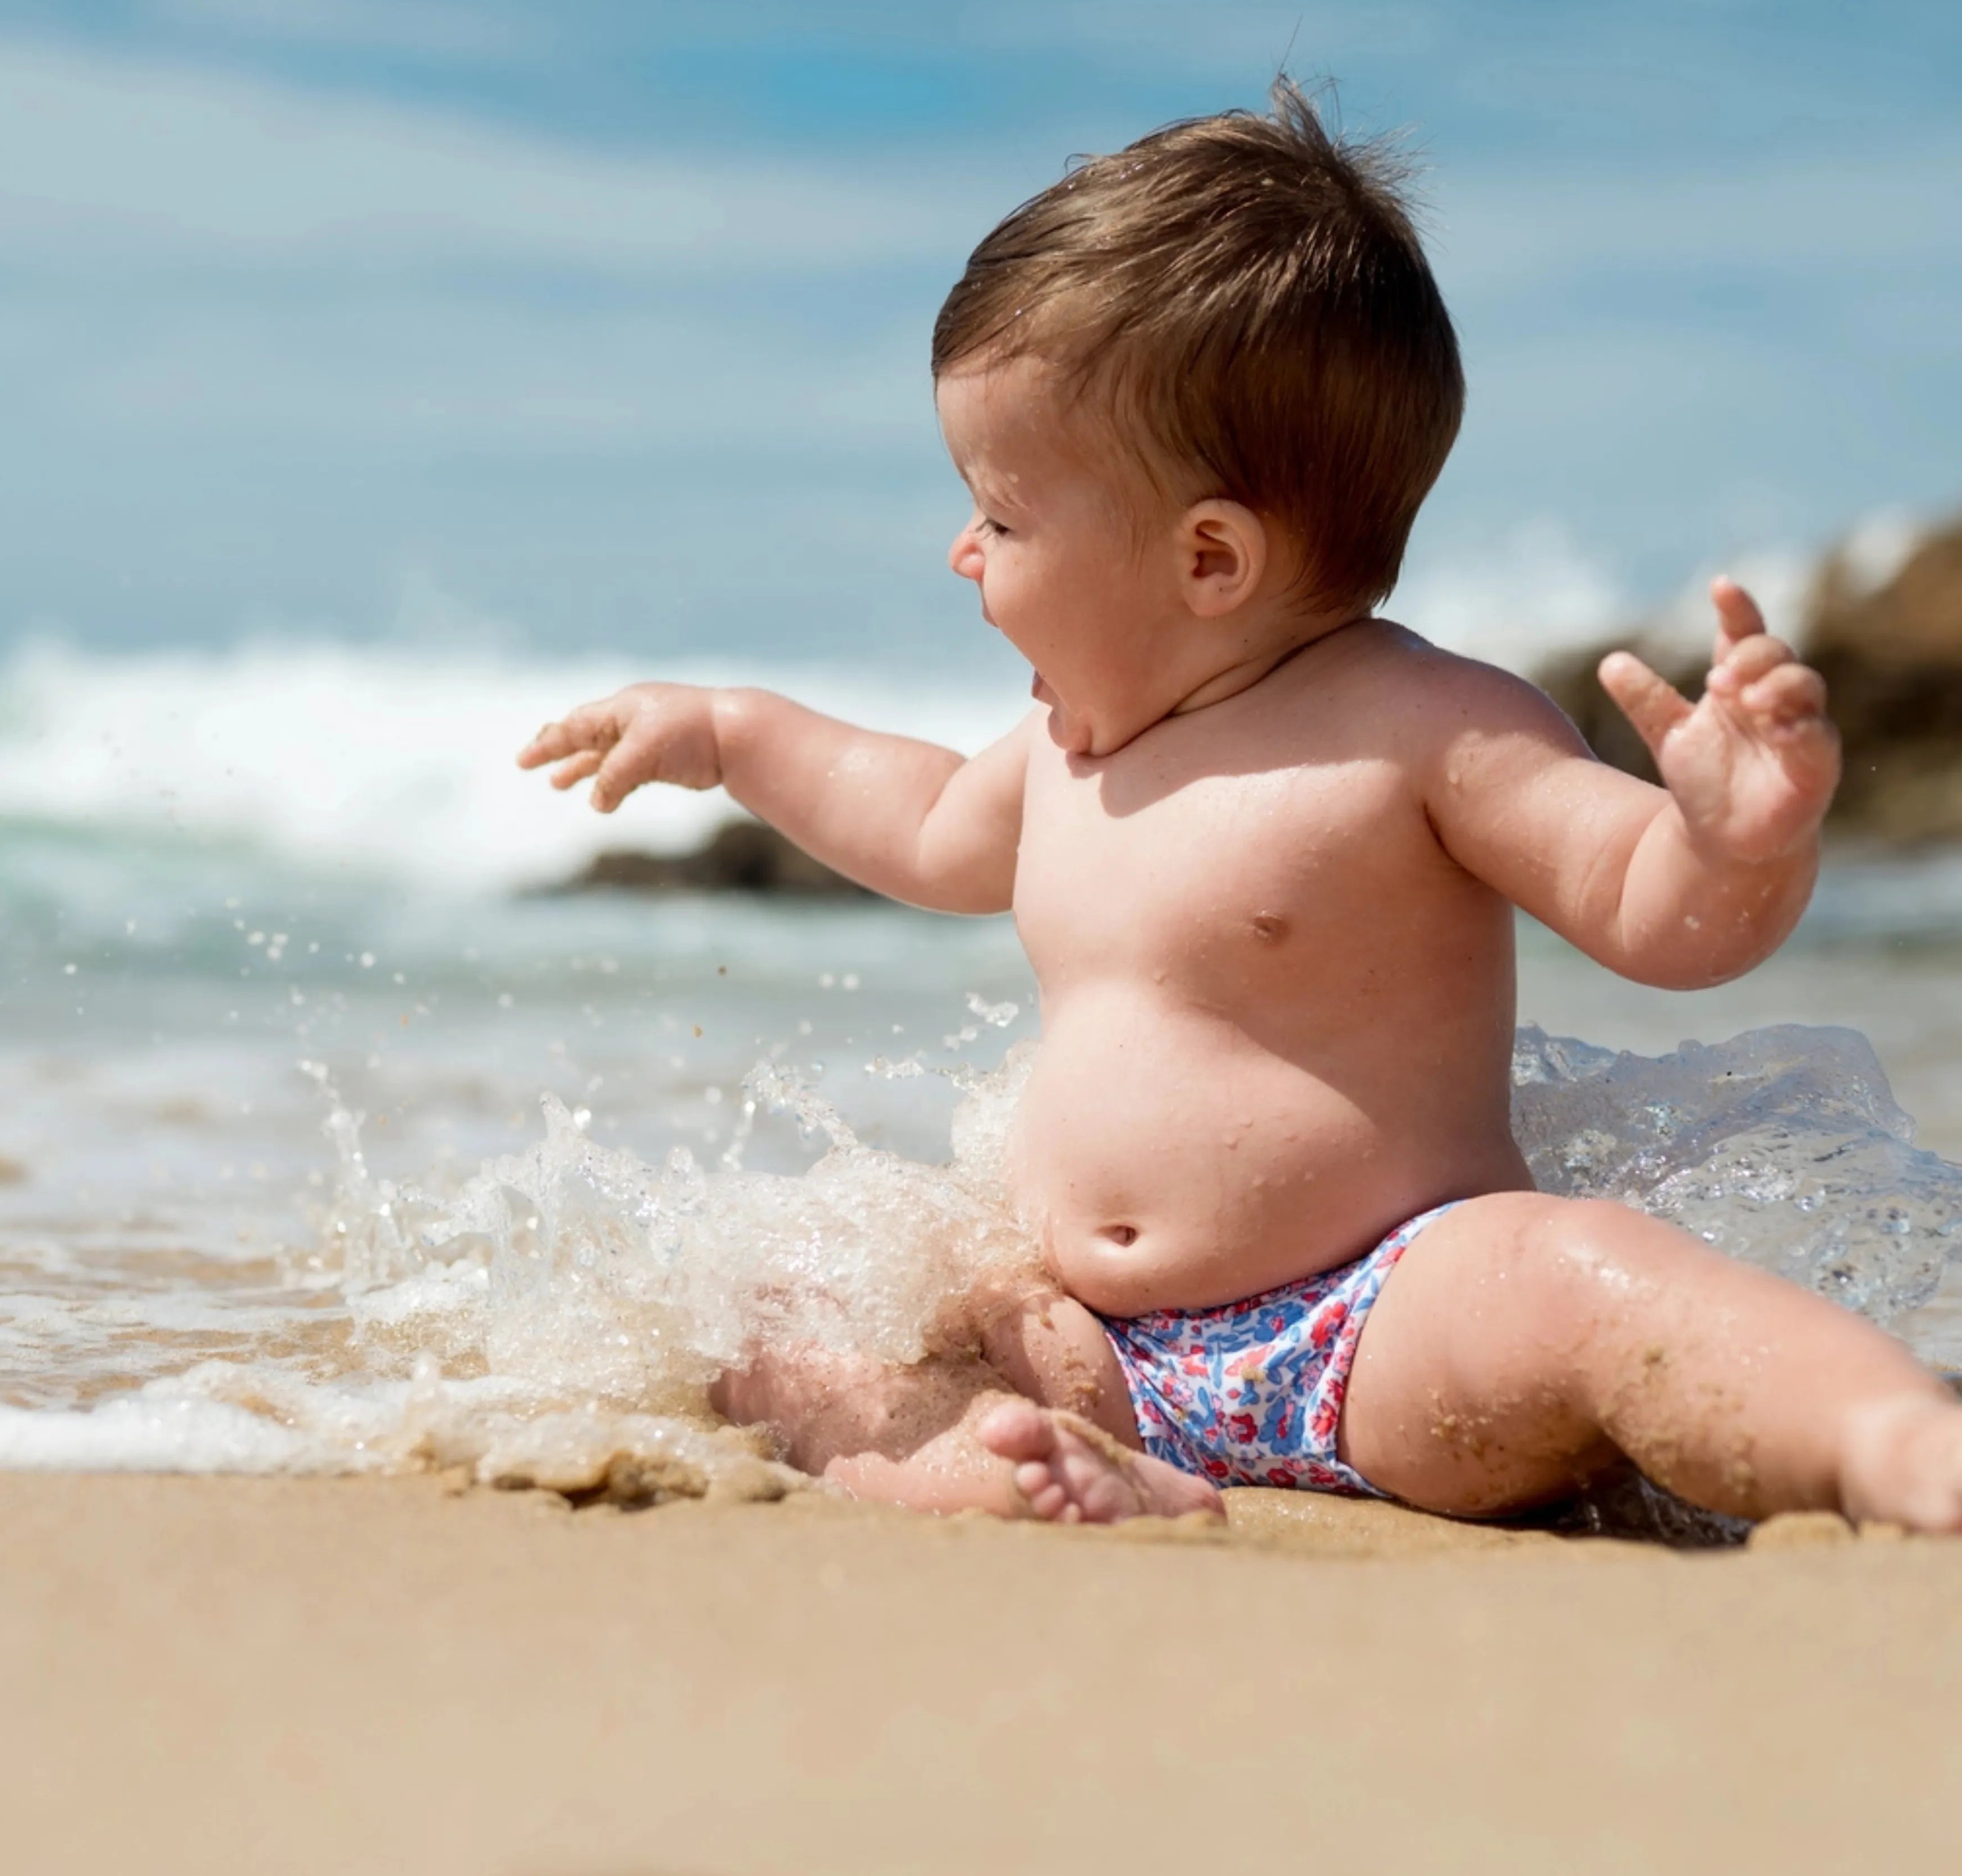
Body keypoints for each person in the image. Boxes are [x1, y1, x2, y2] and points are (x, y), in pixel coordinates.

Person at [519, 83, 1962, 1532]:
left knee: (1593, 1285)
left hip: (1394, 1323)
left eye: (1004, 516)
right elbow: (917, 819)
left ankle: (1895, 1448)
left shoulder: (1423, 731)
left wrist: (1730, 839)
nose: (965, 552)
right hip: (1102, 1354)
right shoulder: (1063, 753)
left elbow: (1657, 918)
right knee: (781, 1317)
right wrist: (734, 735)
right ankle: (1026, 1470)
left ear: (1210, 558)